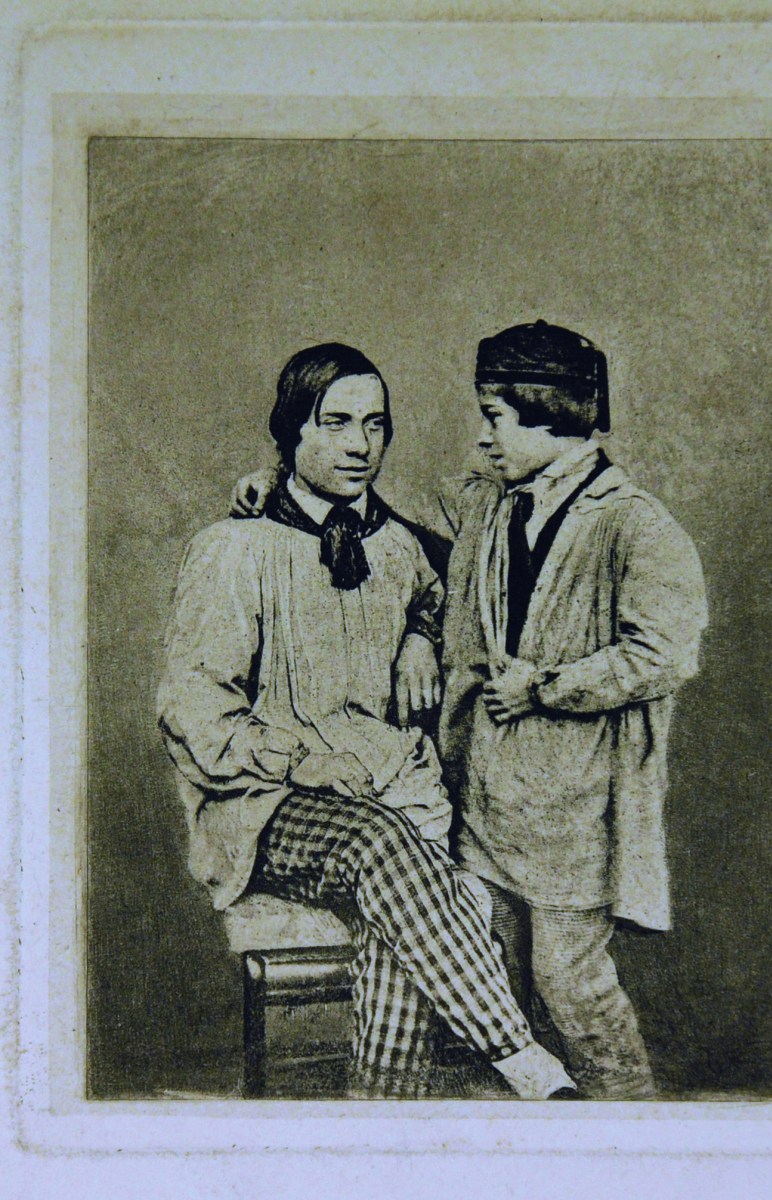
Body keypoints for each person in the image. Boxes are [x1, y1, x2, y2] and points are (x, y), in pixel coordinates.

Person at [231, 321, 708, 1100]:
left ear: (548, 416)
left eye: (495, 417)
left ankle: (632, 1134)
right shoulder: (485, 500)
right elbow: (364, 492)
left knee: (573, 990)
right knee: (489, 974)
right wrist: (276, 476)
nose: (483, 436)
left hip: (573, 816)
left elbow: (664, 653)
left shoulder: (636, 525)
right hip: (482, 805)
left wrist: (547, 686)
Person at [158, 341, 576, 1101]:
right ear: (293, 429)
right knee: (392, 851)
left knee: (400, 901)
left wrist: (420, 633)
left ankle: (383, 1107)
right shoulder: (233, 549)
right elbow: (192, 707)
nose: (361, 445)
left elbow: (451, 591)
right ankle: (523, 1058)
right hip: (269, 805)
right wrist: (301, 762)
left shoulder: (400, 545)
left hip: (392, 791)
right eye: (337, 422)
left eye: (375, 424)